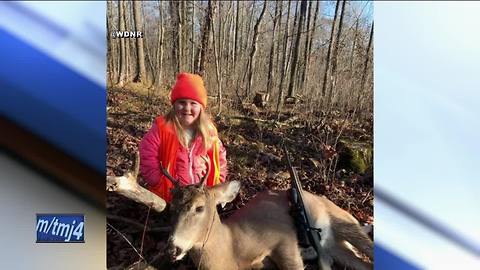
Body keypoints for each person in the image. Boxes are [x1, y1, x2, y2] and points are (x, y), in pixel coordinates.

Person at [139, 72, 227, 202]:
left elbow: (219, 159)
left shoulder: (209, 132)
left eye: (193, 103)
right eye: (182, 102)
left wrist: (218, 182)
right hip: (170, 195)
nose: (187, 108)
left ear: (201, 108)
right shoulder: (162, 128)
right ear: (174, 105)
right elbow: (147, 153)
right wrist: (156, 180)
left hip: (199, 197)